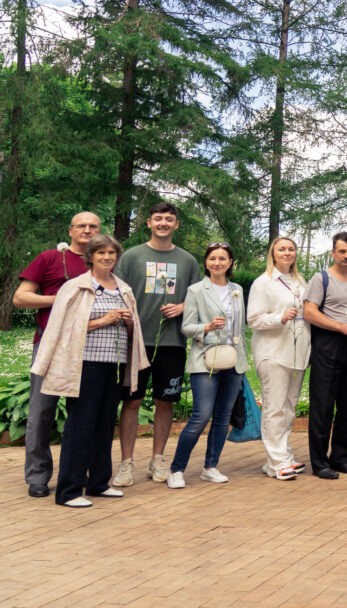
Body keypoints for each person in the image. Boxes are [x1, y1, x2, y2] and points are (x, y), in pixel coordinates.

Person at [31, 234, 148, 507]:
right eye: (101, 253)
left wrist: (128, 321)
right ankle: (69, 491)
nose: (106, 257)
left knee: (105, 423)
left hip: (114, 365)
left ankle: (98, 483)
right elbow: (63, 328)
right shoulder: (75, 287)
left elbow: (133, 331)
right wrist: (103, 320)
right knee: (80, 424)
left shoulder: (123, 288)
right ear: (91, 257)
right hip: (84, 364)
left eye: (111, 253)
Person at [113, 202, 202, 487]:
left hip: (171, 342)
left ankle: (158, 459)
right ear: (148, 223)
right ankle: (126, 463)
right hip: (136, 340)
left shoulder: (187, 260)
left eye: (169, 219)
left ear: (176, 225)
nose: (163, 223)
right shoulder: (131, 256)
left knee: (166, 402)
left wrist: (182, 307)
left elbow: (200, 298)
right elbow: (118, 293)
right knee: (132, 401)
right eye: (158, 219)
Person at [15, 210, 100, 498]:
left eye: (93, 226)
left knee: (85, 415)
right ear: (70, 231)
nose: (87, 230)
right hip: (50, 346)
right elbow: (21, 297)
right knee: (41, 413)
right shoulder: (50, 259)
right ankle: (38, 476)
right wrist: (61, 298)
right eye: (81, 226)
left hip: (91, 348)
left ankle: (79, 472)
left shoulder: (105, 262)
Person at [168, 242, 248, 489]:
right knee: (201, 415)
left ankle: (210, 466)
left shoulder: (238, 290)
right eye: (213, 259)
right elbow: (186, 327)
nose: (217, 263)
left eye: (223, 259)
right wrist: (207, 327)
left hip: (233, 360)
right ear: (206, 262)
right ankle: (176, 469)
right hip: (206, 359)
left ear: (230, 262)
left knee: (223, 417)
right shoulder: (196, 290)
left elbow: (240, 327)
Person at [302, 232, 347, 479]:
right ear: (333, 252)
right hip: (327, 344)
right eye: (342, 251)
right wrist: (339, 326)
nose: (346, 256)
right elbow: (309, 312)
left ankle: (341, 458)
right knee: (323, 406)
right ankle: (320, 463)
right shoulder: (321, 279)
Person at [247, 236, 311, 481]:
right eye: (281, 249)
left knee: (289, 407)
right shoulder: (263, 283)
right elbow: (253, 319)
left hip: (298, 352)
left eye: (291, 249)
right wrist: (279, 318)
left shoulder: (299, 281)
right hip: (273, 351)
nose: (287, 253)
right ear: (272, 254)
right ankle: (276, 461)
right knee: (274, 408)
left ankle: (283, 453)